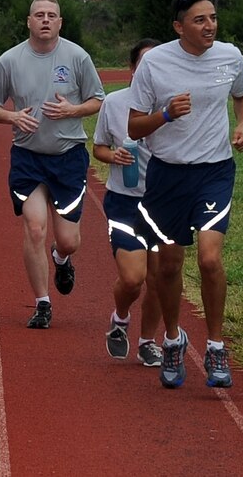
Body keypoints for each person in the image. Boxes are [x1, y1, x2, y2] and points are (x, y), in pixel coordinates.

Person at [128, 0, 243, 390]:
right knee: (167, 265)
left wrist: (241, 124)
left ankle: (215, 346)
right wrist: (164, 114)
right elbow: (133, 126)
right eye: (199, 20)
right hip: (168, 175)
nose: (209, 26)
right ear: (178, 26)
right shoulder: (156, 64)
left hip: (214, 171)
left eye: (213, 18)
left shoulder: (230, 56)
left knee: (210, 260)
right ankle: (173, 339)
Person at [0, 0, 105, 329]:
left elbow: (97, 100)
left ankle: (61, 259)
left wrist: (72, 110)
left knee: (68, 240)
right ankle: (42, 303)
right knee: (35, 228)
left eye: (52, 15)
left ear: (60, 22)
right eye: (39, 15)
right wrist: (12, 116)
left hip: (68, 157)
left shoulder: (77, 57)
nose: (45, 20)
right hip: (28, 158)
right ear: (29, 21)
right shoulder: (9, 60)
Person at [92, 39, 163, 367]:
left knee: (160, 279)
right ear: (133, 70)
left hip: (164, 203)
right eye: (144, 65)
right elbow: (99, 148)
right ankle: (120, 319)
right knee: (134, 278)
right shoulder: (115, 103)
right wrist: (114, 156)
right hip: (125, 202)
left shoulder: (173, 105)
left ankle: (148, 341)